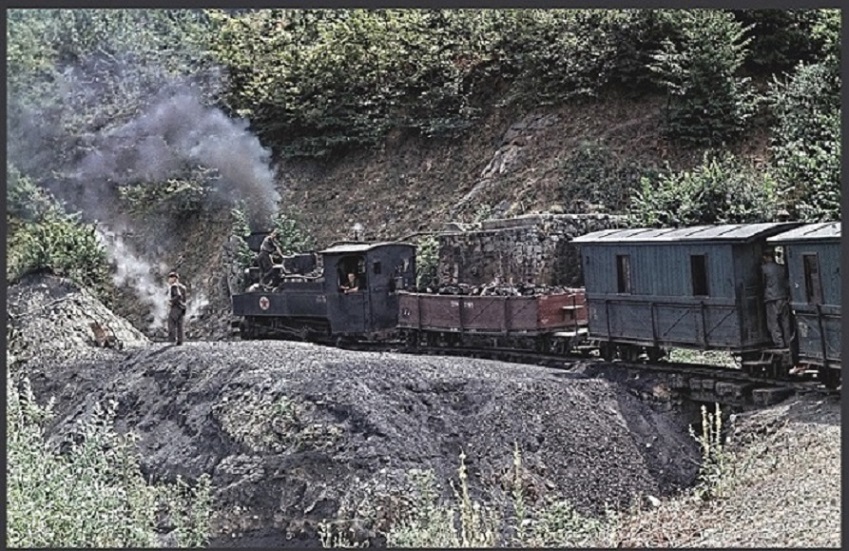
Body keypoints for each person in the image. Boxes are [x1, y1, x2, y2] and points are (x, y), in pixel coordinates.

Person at [761, 250, 793, 348]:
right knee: (785, 321)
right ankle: (788, 342)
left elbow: (763, 283)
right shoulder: (782, 268)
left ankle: (779, 343)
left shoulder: (764, 269)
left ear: (766, 257)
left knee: (773, 322)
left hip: (771, 298)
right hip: (783, 297)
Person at [167, 271, 187, 345]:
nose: (169, 280)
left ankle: (172, 340)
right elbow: (184, 298)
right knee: (180, 325)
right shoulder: (183, 287)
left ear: (174, 278)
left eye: (170, 278)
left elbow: (178, 296)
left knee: (171, 322)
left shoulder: (174, 286)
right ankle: (180, 341)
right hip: (182, 308)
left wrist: (171, 301)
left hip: (176, 307)